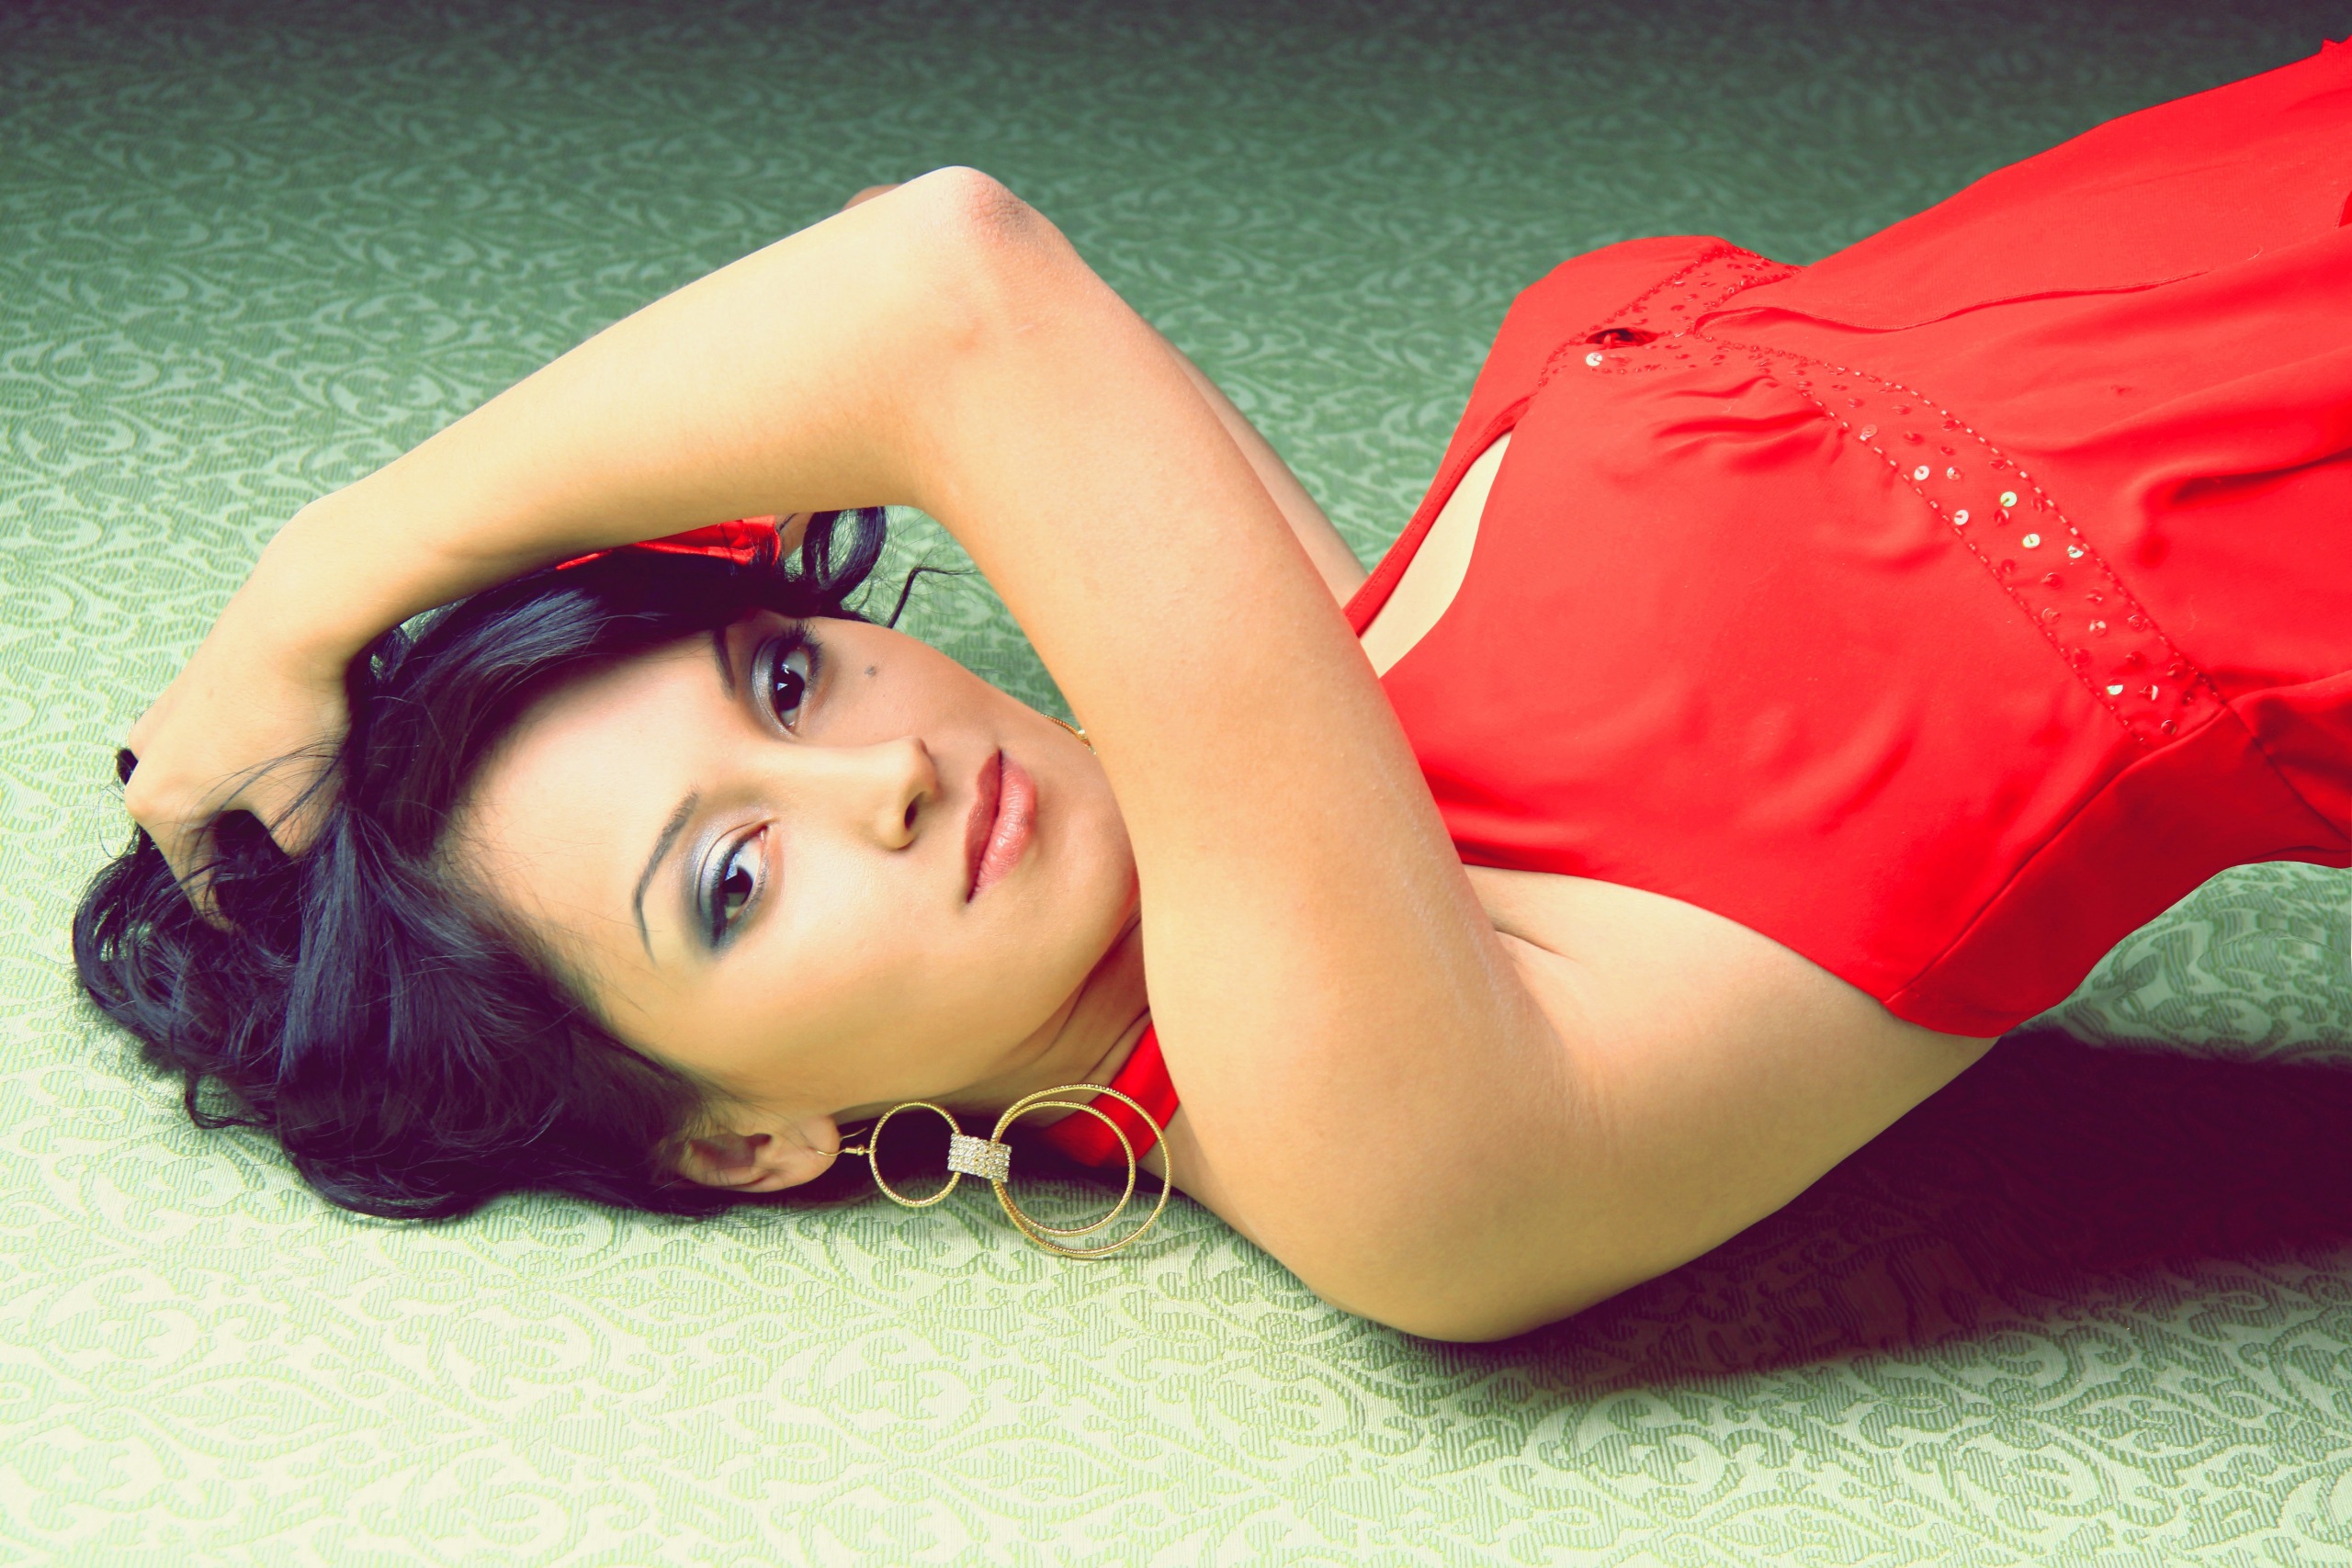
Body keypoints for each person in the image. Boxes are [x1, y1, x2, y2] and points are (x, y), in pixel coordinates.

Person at [77, 43, 2352, 1341]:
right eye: (735, 878)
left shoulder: (1316, 730)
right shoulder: (1370, 1153)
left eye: (785, 674)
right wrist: (321, 579)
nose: (880, 771)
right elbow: (943, 283)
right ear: (731, 1139)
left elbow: (914, 285)